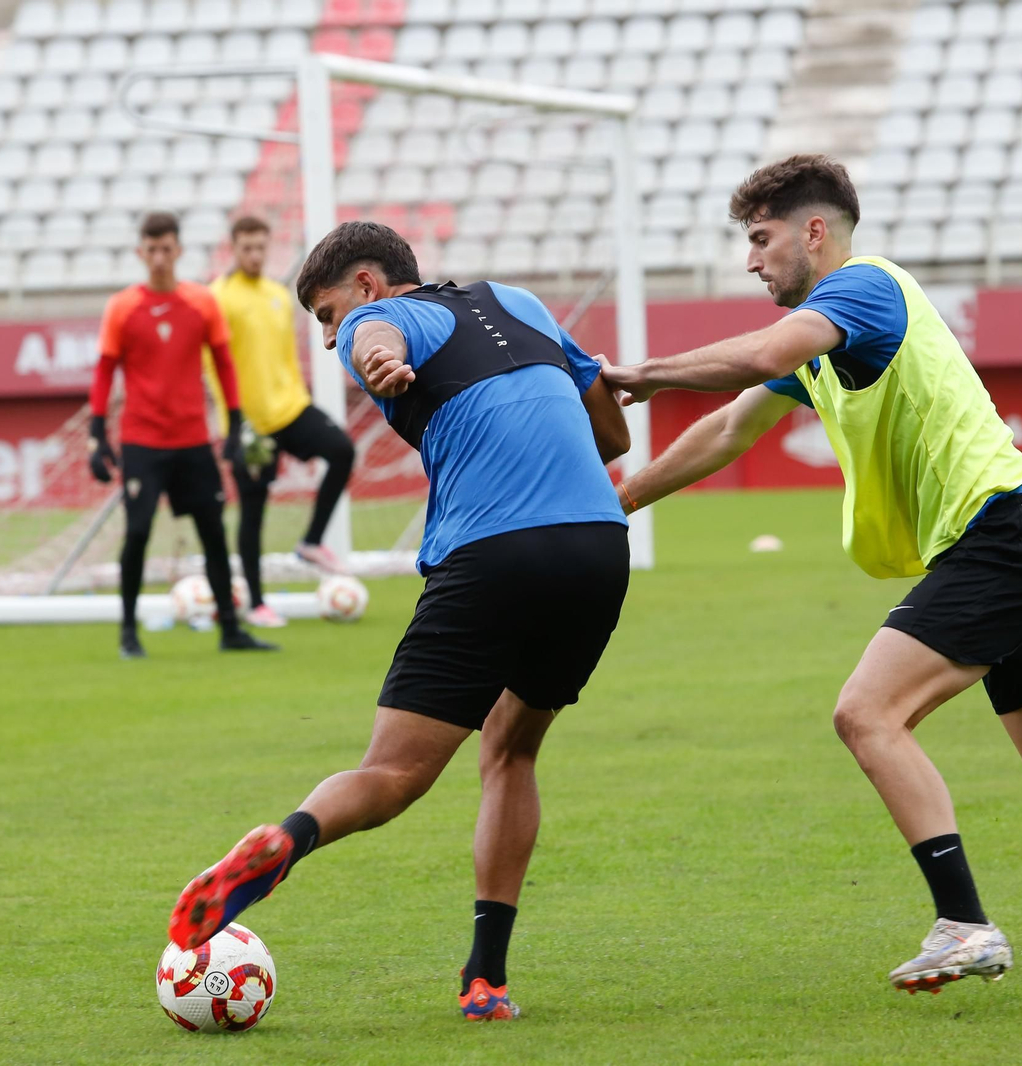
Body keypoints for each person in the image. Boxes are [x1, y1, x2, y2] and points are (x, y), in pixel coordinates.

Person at [602, 155, 1022, 992]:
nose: (750, 260)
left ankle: (964, 925)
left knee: (867, 713)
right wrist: (618, 502)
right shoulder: (824, 339)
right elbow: (730, 428)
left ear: (816, 232)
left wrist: (642, 373)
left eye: (762, 239)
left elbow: (764, 351)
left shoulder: (863, 288)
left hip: (1001, 537)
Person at [166, 221, 632, 1020]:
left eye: (327, 315)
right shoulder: (518, 302)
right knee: (512, 749)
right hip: (596, 548)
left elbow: (375, 338)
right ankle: (486, 979)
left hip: (491, 554)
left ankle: (289, 839)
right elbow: (613, 437)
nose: (330, 339)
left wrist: (375, 352)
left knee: (392, 776)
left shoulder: (381, 321)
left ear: (368, 283)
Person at [89, 211, 277, 658]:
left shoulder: (201, 302)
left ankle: (230, 630)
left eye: (166, 249)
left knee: (213, 532)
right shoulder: (122, 307)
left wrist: (234, 423)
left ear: (178, 250)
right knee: (137, 532)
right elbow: (104, 371)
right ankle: (128, 632)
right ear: (141, 253)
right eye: (151, 249)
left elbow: (225, 363)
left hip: (192, 439)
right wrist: (97, 434)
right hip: (142, 441)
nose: (159, 257)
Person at [209, 216, 357, 627]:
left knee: (342, 450)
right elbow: (213, 365)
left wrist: (301, 399)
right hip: (249, 424)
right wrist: (233, 423)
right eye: (247, 248)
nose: (255, 255)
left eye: (261, 247)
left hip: (290, 409)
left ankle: (311, 541)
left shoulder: (277, 294)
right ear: (233, 249)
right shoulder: (219, 298)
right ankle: (257, 603)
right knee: (253, 512)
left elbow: (286, 360)